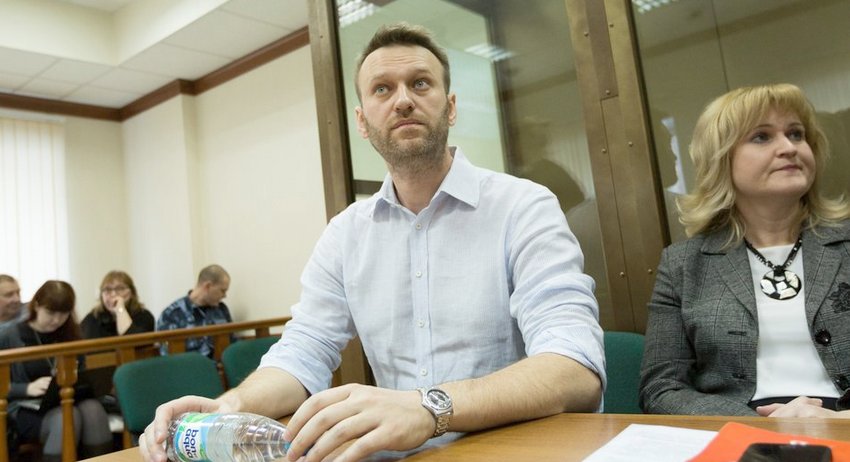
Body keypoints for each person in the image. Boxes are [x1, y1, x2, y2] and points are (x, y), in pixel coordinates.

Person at [140, 23, 604, 462]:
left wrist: (429, 408)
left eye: (420, 83)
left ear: (451, 107)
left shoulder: (523, 206)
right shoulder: (345, 233)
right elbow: (303, 352)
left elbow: (575, 367)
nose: (403, 100)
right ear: (362, 122)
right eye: (382, 89)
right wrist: (230, 405)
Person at [640, 83, 850, 418]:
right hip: (740, 429)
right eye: (762, 137)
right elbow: (661, 387)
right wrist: (754, 424)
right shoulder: (682, 264)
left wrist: (840, 420)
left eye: (796, 134)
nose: (788, 148)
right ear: (722, 160)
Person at [0, 280, 113, 461]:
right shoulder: (9, 335)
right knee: (67, 417)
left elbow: (81, 371)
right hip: (24, 406)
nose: (56, 320)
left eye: (64, 314)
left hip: (64, 398)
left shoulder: (69, 333)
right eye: (50, 313)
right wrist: (26, 388)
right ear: (36, 305)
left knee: (93, 409)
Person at [156, 264, 232, 358]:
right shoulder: (172, 314)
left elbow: (232, 343)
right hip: (188, 366)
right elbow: (169, 357)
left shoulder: (221, 309)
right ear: (208, 286)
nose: (224, 296)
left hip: (220, 365)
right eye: (222, 291)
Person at [81, 270, 154, 338]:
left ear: (131, 293)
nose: (113, 294)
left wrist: (120, 309)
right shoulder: (92, 318)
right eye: (108, 289)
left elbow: (131, 341)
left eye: (120, 289)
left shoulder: (144, 316)